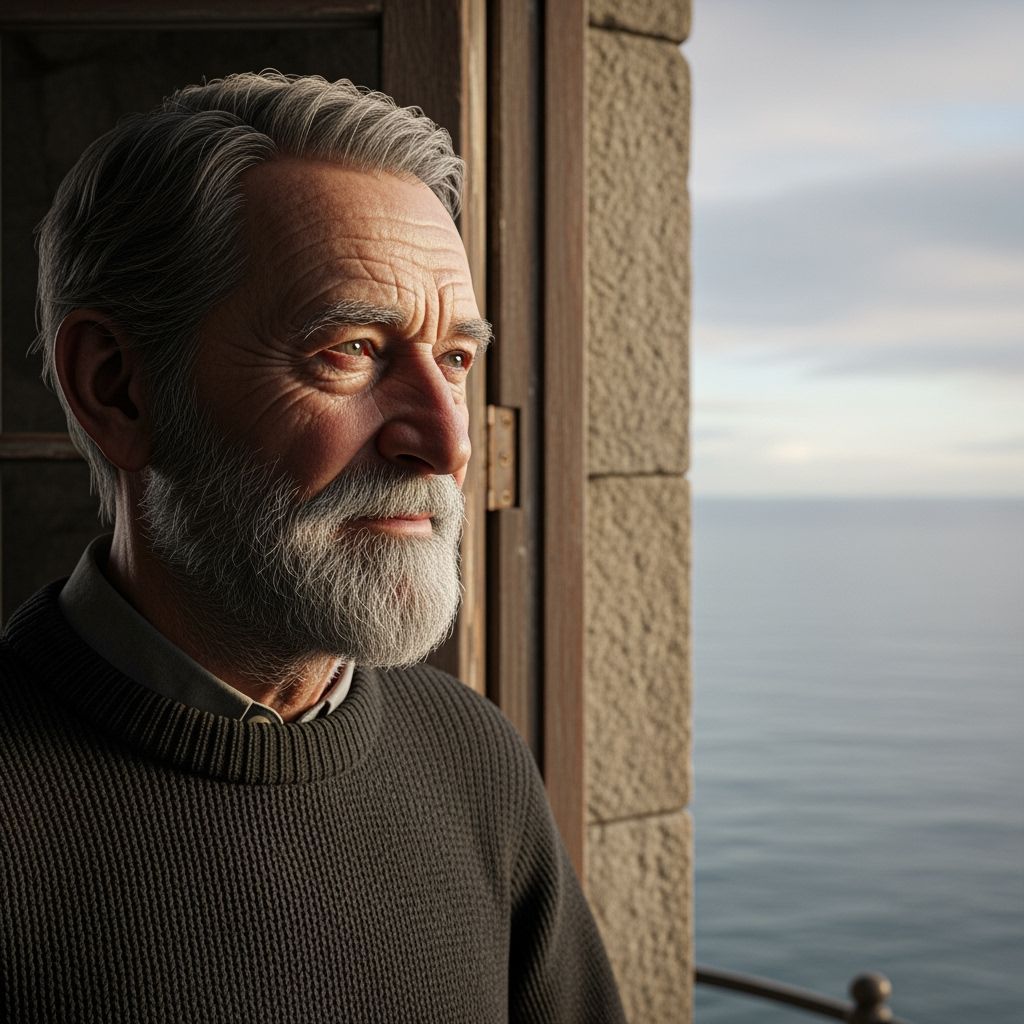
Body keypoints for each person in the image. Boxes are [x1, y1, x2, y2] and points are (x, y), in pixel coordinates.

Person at [0, 71, 626, 1023]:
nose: (450, 440)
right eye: (353, 349)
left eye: (455, 359)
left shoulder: (471, 758)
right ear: (119, 389)